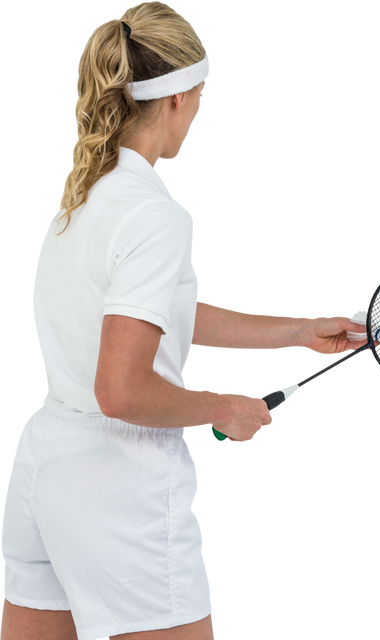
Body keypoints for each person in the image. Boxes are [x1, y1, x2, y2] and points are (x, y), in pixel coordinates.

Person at [0, 3, 272, 639]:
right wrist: (222, 407)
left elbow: (160, 317)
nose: (202, 111)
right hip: (119, 493)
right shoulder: (158, 214)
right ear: (177, 98)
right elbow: (121, 390)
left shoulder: (80, 195)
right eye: (203, 94)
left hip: (45, 471)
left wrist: (298, 330)